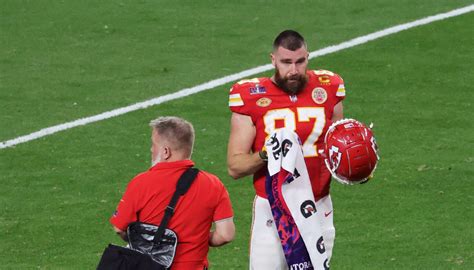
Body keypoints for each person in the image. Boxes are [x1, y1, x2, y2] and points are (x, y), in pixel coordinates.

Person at [227, 30, 345, 269]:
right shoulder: (250, 97)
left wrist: (357, 167)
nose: (293, 70)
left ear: (308, 57)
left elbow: (338, 151)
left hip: (317, 205)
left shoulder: (329, 88)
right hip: (272, 210)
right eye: (286, 62)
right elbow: (235, 167)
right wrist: (267, 153)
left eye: (300, 62)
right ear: (273, 60)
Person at [111, 116, 235, 270]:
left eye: (153, 144)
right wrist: (198, 238)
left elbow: (119, 228)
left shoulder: (141, 183)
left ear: (165, 151)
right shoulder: (214, 184)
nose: (151, 149)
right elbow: (225, 235)